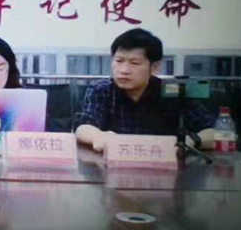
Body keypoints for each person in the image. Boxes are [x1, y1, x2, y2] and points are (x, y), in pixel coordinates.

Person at [74, 28, 216, 152]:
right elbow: (83, 128)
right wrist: (101, 137)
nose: (124, 70)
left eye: (134, 63)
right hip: (112, 165)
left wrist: (191, 141)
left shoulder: (173, 91)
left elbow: (216, 132)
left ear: (154, 67)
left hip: (163, 167)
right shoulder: (102, 90)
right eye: (119, 61)